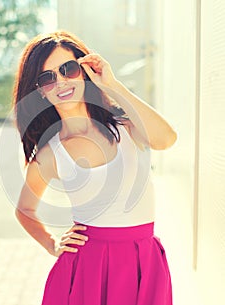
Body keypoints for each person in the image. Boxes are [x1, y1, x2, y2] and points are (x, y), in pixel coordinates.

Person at [12, 30, 177, 305]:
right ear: (39, 90)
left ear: (84, 70)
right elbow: (24, 210)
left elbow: (167, 138)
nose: (61, 81)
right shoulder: (50, 153)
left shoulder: (124, 125)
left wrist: (112, 85)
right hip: (87, 270)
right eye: (47, 77)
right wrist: (52, 244)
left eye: (69, 69)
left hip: (143, 263)